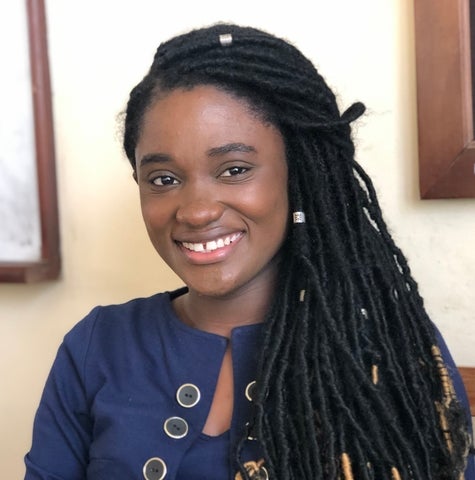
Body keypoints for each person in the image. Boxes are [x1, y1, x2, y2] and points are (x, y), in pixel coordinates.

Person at [25, 23, 474, 480]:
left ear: (297, 174)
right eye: (163, 179)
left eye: (234, 169)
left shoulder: (389, 352)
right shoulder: (96, 345)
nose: (197, 212)